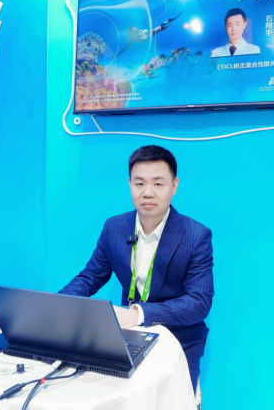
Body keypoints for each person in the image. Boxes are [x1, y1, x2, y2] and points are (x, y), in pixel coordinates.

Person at [59, 145, 214, 397]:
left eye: (158, 184)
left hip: (180, 336)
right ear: (129, 184)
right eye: (139, 183)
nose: (148, 192)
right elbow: (90, 277)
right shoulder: (114, 227)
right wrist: (57, 307)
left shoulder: (196, 235)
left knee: (172, 399)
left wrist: (137, 313)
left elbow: (199, 302)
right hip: (127, 337)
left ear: (174, 186)